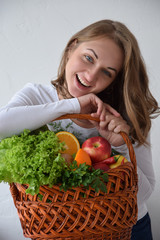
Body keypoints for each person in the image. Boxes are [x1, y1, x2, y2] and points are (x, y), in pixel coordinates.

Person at [0, 19, 159, 239]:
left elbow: (144, 194)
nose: (91, 75)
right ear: (70, 48)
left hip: (127, 227)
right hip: (62, 229)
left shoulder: (123, 114)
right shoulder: (36, 97)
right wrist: (74, 104)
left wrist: (121, 146)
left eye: (107, 72)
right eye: (88, 57)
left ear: (114, 81)